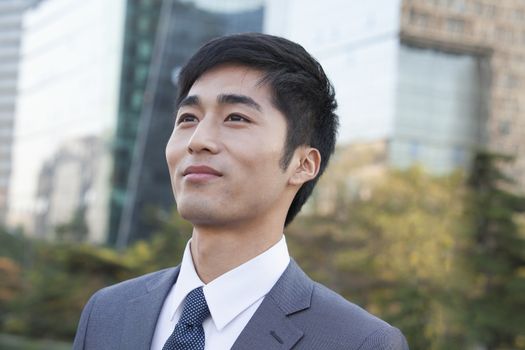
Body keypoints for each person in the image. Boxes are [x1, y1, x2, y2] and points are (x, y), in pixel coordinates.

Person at [73, 33, 409, 350]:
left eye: (235, 117)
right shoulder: (106, 313)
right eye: (188, 118)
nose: (198, 140)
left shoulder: (359, 342)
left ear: (303, 163)